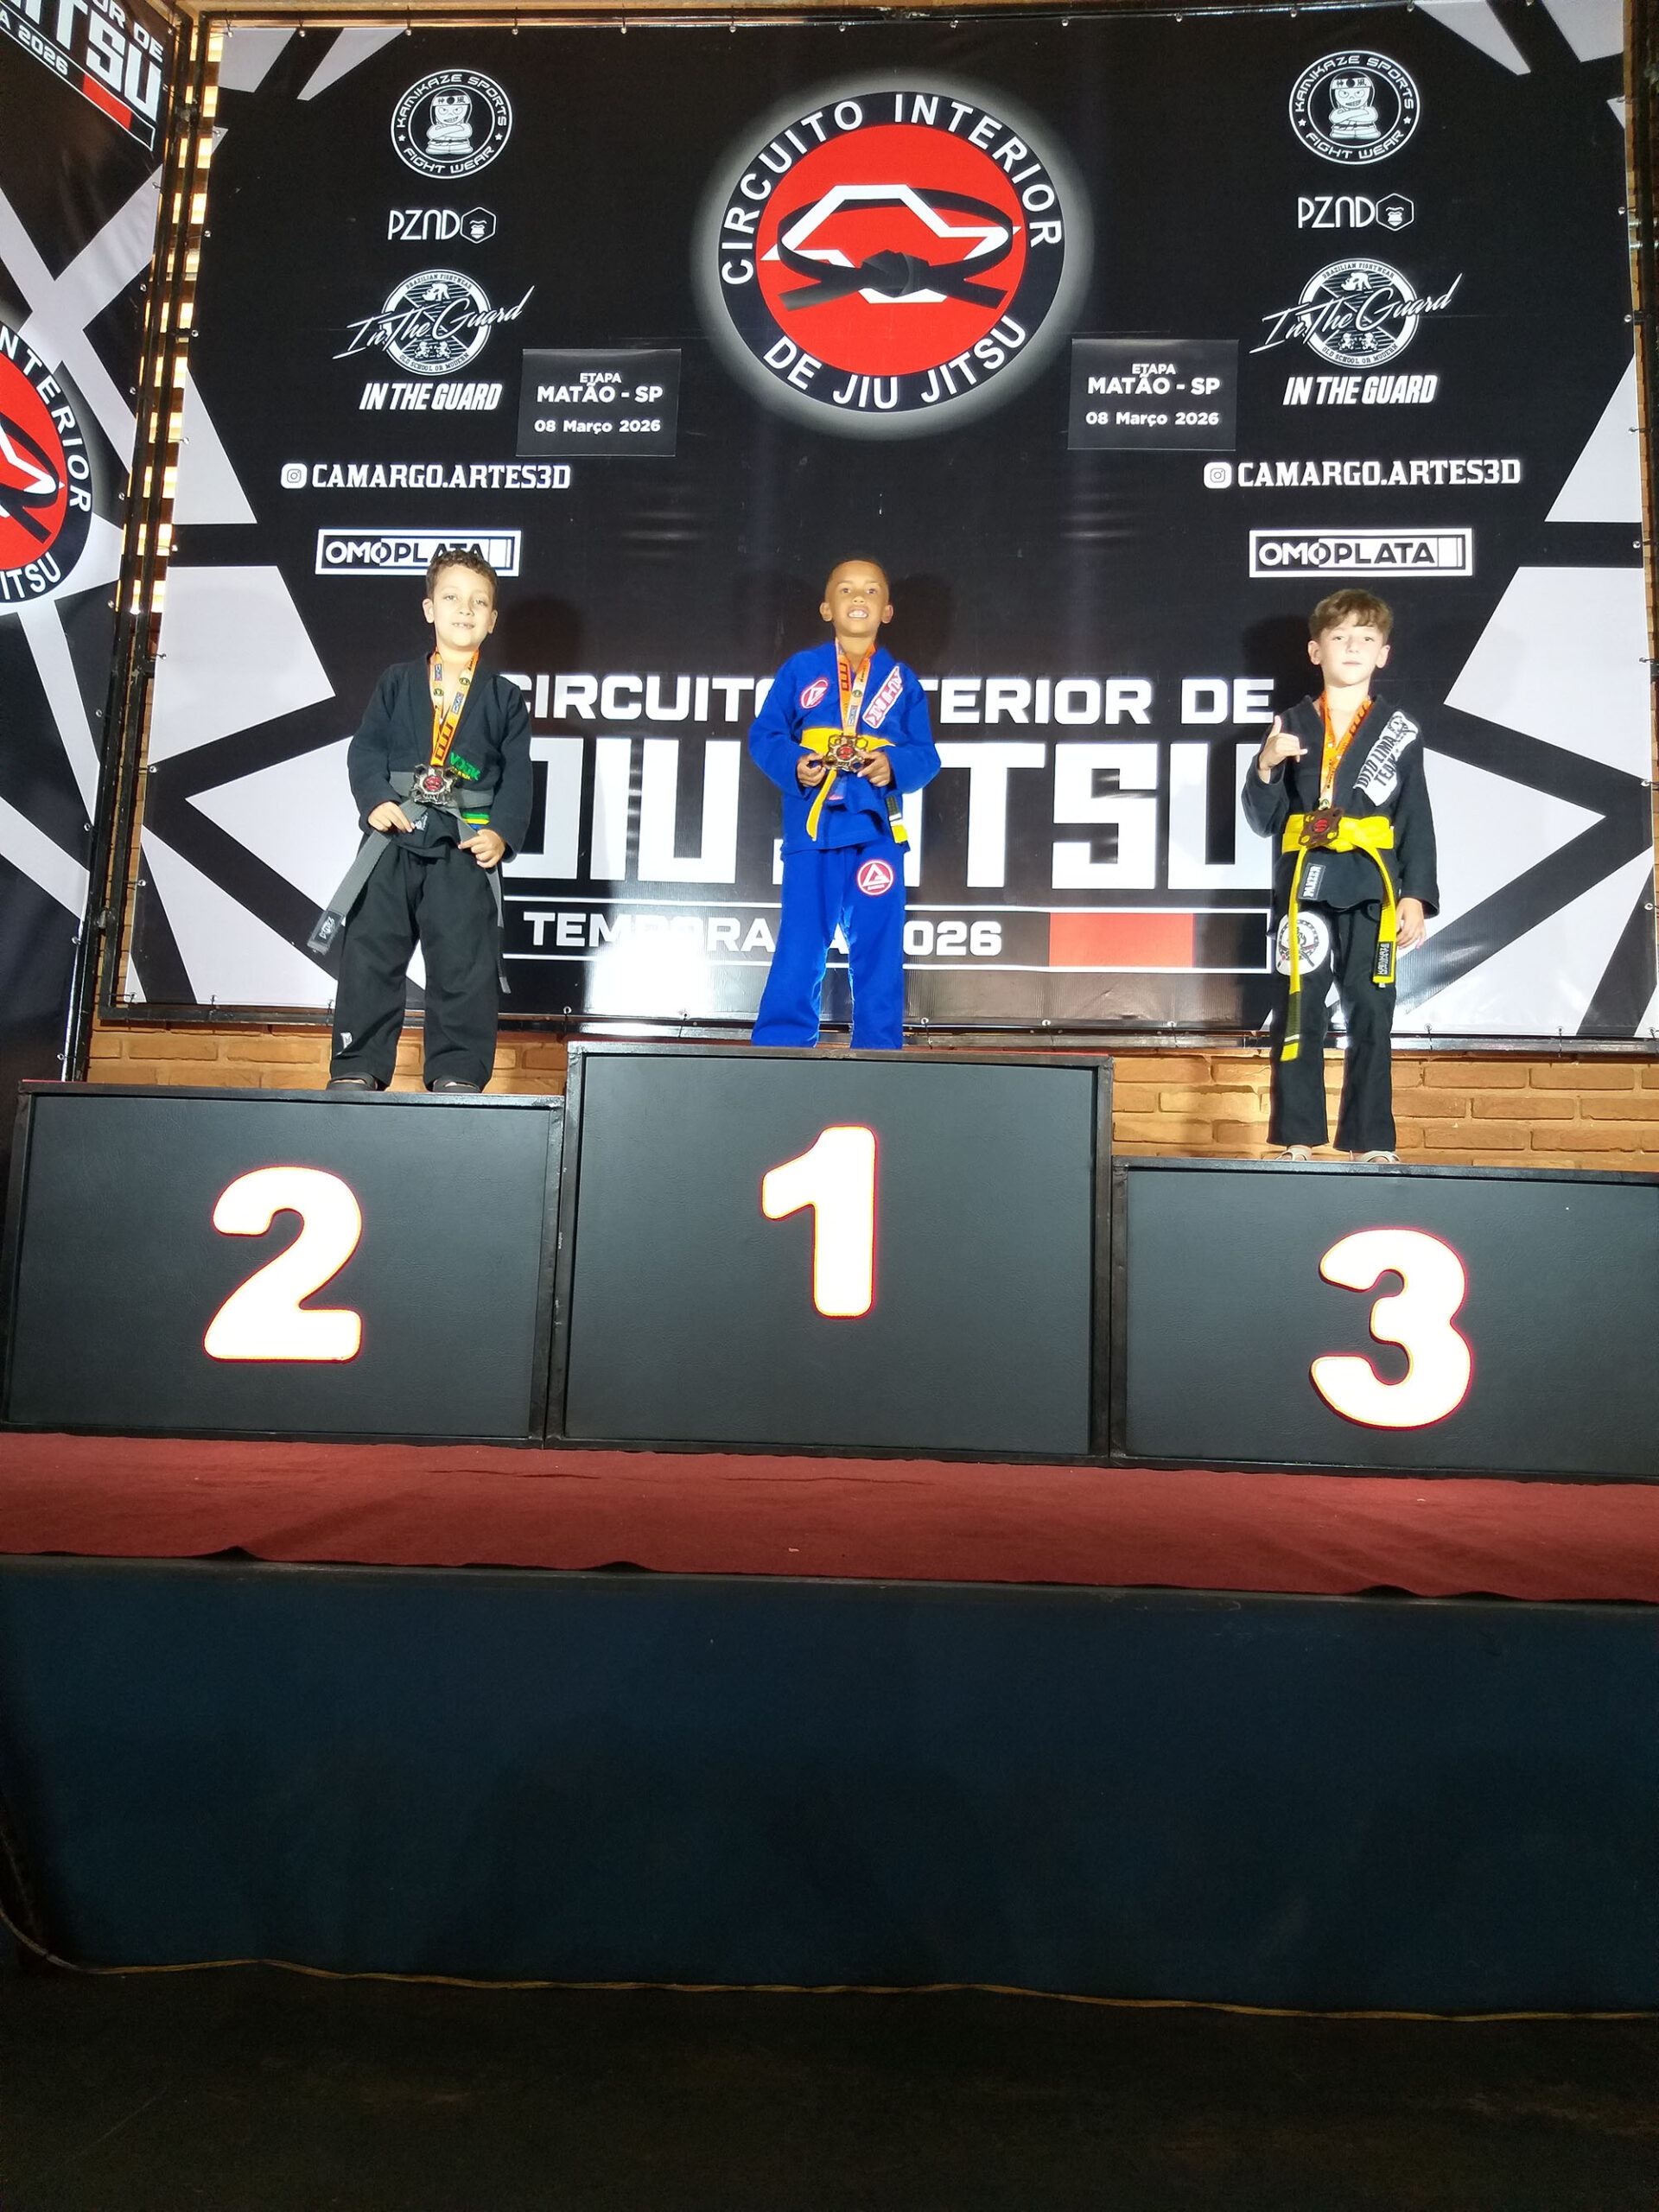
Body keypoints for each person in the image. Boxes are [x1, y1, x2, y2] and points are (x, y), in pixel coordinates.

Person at [321, 546, 531, 1092]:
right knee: (370, 954)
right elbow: (366, 749)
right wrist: (374, 800)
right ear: (429, 609)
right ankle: (357, 1066)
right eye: (452, 597)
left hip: (463, 845)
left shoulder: (505, 698)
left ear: (492, 619)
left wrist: (500, 834)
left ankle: (457, 1072)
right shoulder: (396, 681)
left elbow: (518, 776)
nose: (465, 609)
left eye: (479, 602)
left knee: (464, 962)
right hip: (393, 836)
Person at [1243, 589, 1439, 1161]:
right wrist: (1265, 766)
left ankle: (1371, 1140)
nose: (1352, 647)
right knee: (1298, 1007)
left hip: (1373, 888)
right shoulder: (1291, 724)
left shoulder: (1400, 730)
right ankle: (1297, 1137)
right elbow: (1265, 820)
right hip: (1304, 888)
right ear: (1315, 650)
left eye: (1366, 638)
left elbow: (1415, 816)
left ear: (1383, 654)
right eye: (1339, 637)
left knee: (1373, 1010)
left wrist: (1415, 896)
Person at [748, 558, 941, 1051]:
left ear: (888, 611)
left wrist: (893, 766)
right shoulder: (800, 670)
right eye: (847, 590)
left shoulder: (902, 680)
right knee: (801, 944)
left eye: (872, 591)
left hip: (876, 831)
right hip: (814, 827)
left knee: (879, 947)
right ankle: (781, 1049)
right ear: (826, 607)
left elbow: (926, 755)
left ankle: (880, 1051)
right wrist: (795, 764)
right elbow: (765, 735)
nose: (859, 598)